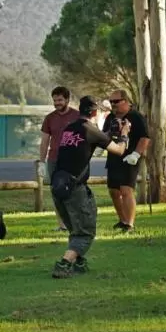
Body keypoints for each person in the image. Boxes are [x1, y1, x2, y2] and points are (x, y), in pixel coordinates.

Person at [49, 95, 131, 278]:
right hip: (74, 188)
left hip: (58, 185)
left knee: (75, 229)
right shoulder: (90, 129)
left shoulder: (69, 128)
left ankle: (79, 263)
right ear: (95, 112)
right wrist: (124, 134)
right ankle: (64, 263)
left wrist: (110, 133)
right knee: (85, 232)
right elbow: (118, 150)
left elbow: (92, 141)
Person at [102, 88, 150, 232]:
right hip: (113, 157)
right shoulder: (110, 117)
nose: (113, 104)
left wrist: (136, 154)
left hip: (129, 158)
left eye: (116, 101)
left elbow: (144, 137)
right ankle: (122, 220)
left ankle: (129, 223)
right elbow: (104, 135)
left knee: (126, 189)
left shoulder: (136, 116)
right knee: (113, 191)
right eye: (111, 102)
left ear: (126, 101)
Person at [39, 86, 81, 231]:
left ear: (67, 100)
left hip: (73, 160)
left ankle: (76, 223)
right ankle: (62, 225)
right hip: (54, 160)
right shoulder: (49, 118)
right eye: (55, 100)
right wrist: (42, 162)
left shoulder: (77, 116)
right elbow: (44, 141)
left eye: (60, 100)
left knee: (74, 191)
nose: (57, 103)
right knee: (56, 192)